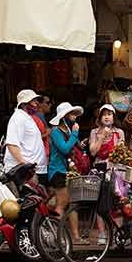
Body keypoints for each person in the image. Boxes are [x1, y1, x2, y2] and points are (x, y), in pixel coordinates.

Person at [49, 102, 84, 242]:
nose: (74, 116)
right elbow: (64, 149)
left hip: (68, 171)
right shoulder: (56, 131)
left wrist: (79, 142)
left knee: (73, 203)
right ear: (63, 116)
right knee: (62, 203)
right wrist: (75, 133)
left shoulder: (67, 130)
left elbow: (74, 146)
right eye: (71, 114)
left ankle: (76, 236)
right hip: (57, 171)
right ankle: (59, 237)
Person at [3, 90, 46, 180]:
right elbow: (12, 144)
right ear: (24, 104)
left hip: (31, 170)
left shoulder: (27, 117)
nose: (37, 103)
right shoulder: (18, 118)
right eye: (33, 101)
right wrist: (25, 166)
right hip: (24, 172)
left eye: (36, 100)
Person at [89, 104, 125, 168]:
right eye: (104, 115)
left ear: (114, 117)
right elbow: (93, 153)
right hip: (99, 165)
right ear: (100, 118)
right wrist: (102, 136)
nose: (106, 117)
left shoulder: (119, 132)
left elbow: (121, 152)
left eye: (109, 114)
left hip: (115, 167)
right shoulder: (94, 132)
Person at [31, 95, 53, 180]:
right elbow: (33, 138)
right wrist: (47, 133)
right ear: (39, 104)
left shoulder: (40, 116)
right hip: (40, 156)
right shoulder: (37, 116)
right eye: (47, 103)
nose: (50, 105)